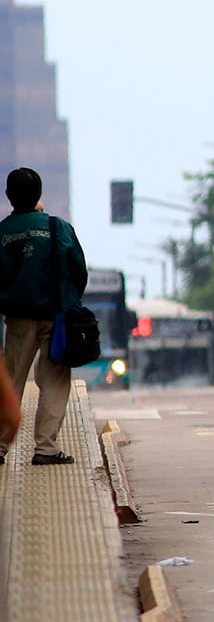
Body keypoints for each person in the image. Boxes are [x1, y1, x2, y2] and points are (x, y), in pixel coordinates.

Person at [0, 167, 88, 464]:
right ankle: (46, 449)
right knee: (54, 380)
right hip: (56, 319)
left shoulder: (2, 232)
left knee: (10, 381)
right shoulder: (57, 227)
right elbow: (78, 269)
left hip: (17, 319)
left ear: (8, 196)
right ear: (39, 194)